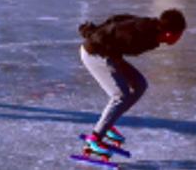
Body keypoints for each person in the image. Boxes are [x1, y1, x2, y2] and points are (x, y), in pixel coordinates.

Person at [76, 8, 187, 159]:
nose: (180, 38)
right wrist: (92, 34)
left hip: (110, 54)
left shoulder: (151, 29)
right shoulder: (142, 34)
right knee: (120, 95)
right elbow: (114, 30)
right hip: (95, 54)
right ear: (170, 33)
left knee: (140, 85)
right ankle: (95, 140)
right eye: (180, 35)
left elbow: (118, 18)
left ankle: (107, 125)